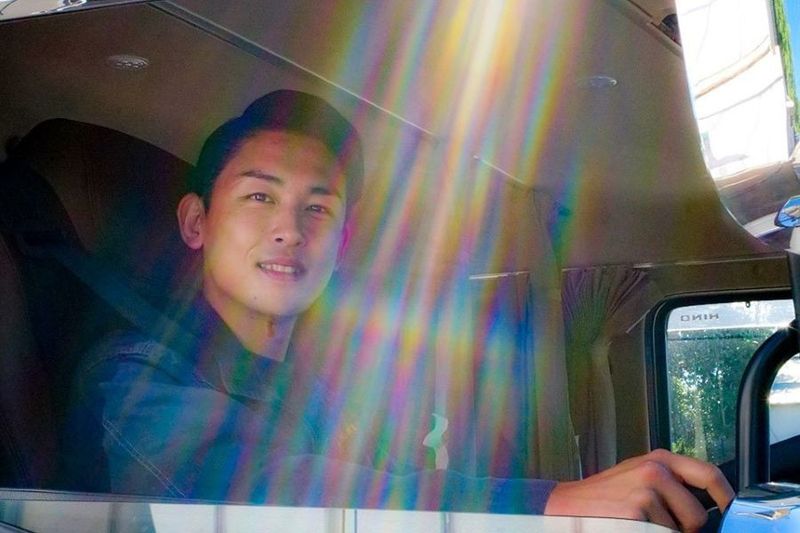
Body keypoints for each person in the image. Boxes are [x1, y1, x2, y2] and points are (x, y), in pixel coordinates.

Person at [68, 90, 732, 530]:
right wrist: (550, 502)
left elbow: (383, 487)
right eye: (259, 197)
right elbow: (249, 492)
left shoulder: (310, 389)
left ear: (340, 244)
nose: (290, 230)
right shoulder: (134, 375)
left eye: (318, 208)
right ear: (196, 222)